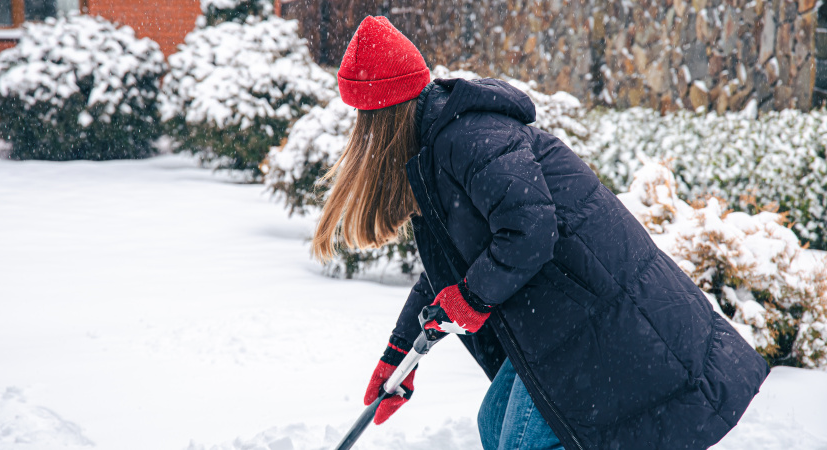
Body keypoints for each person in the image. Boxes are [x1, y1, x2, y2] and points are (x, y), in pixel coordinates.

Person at [313, 16, 770, 450]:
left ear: (381, 116)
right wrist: (398, 351)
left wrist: (472, 298)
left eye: (362, 121)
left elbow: (530, 229)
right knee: (494, 424)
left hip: (600, 317)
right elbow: (447, 269)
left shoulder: (468, 138)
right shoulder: (434, 150)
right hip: (562, 318)